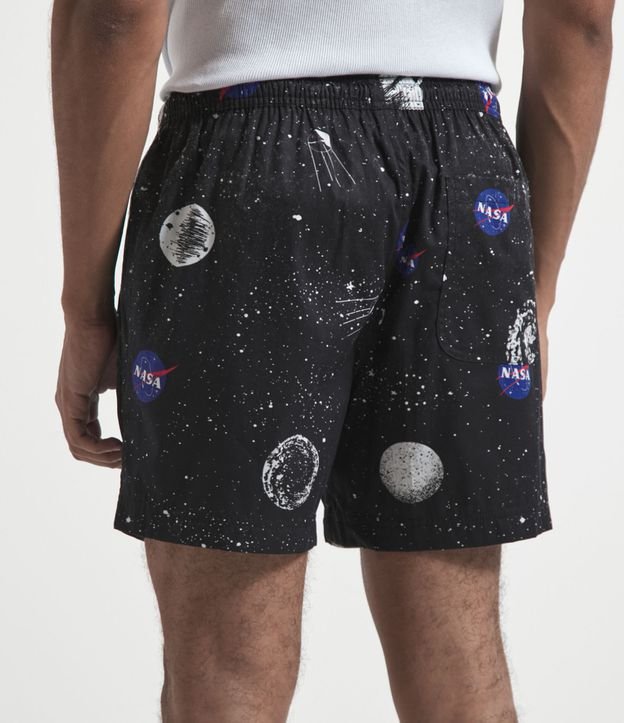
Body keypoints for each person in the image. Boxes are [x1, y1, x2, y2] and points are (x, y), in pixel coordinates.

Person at [51, 1, 614, 721]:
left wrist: (85, 309)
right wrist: (537, 287)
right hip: (463, 181)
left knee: (229, 666)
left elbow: (114, 16)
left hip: (246, 167)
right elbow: (581, 20)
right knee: (458, 662)